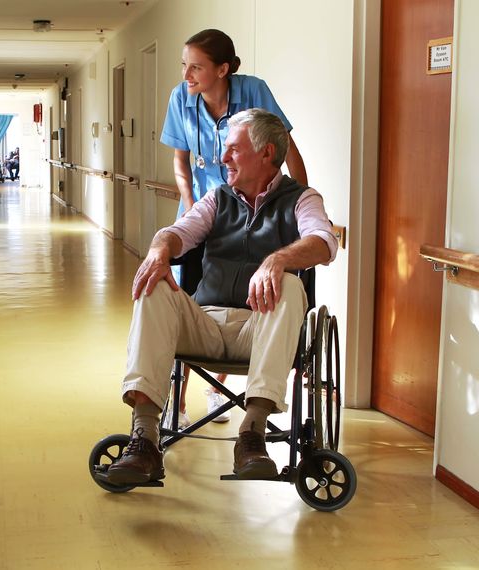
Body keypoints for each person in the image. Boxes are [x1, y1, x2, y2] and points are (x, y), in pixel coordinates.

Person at [105, 109, 337, 485]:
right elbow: (178, 231)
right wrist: (158, 251)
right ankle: (145, 437)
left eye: (232, 149)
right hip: (205, 323)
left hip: (261, 327)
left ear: (266, 153)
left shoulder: (301, 199)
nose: (222, 158)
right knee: (155, 283)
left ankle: (252, 434)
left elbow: (324, 242)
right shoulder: (218, 199)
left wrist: (278, 260)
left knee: (291, 285)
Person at [160, 29, 310, 429]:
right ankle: (176, 400)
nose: (187, 74)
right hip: (207, 206)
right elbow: (181, 160)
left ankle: (220, 390)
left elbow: (285, 149)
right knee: (190, 290)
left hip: (257, 201)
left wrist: (297, 199)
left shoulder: (253, 91)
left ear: (222, 69)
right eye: (184, 65)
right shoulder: (181, 98)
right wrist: (191, 206)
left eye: (196, 66)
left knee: (248, 284)